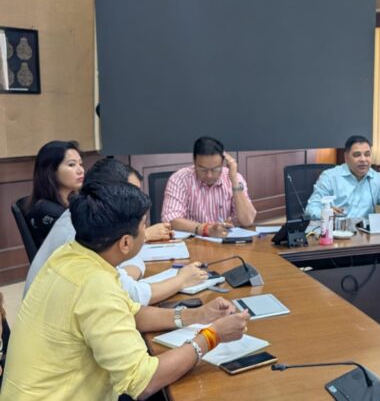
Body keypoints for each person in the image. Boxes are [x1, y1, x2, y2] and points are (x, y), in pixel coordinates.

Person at [0, 181, 250, 401]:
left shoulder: (70, 254)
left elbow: (131, 313)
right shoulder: (95, 284)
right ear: (126, 243)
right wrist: (212, 335)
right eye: (144, 225)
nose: (147, 230)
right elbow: (143, 382)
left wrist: (198, 316)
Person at [24, 159, 205, 305]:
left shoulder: (87, 216)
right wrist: (181, 280)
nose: (137, 201)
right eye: (130, 194)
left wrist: (126, 274)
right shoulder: (82, 230)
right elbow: (129, 295)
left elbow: (125, 273)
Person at [305, 135, 380, 226]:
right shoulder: (330, 177)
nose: (363, 159)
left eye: (367, 154)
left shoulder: (378, 179)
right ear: (346, 157)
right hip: (336, 235)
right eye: (357, 155)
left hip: (365, 236)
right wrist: (325, 212)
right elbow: (311, 208)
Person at [162, 137, 256, 236]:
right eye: (202, 169)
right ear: (194, 162)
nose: (209, 175)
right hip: (193, 241)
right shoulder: (179, 179)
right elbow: (171, 220)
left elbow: (248, 221)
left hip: (227, 239)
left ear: (223, 163)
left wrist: (234, 181)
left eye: (215, 169)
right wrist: (207, 229)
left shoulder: (234, 177)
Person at [24, 141, 84, 246]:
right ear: (51, 170)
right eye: (72, 164)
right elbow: (82, 242)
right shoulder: (45, 209)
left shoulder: (77, 200)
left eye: (80, 164)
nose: (80, 170)